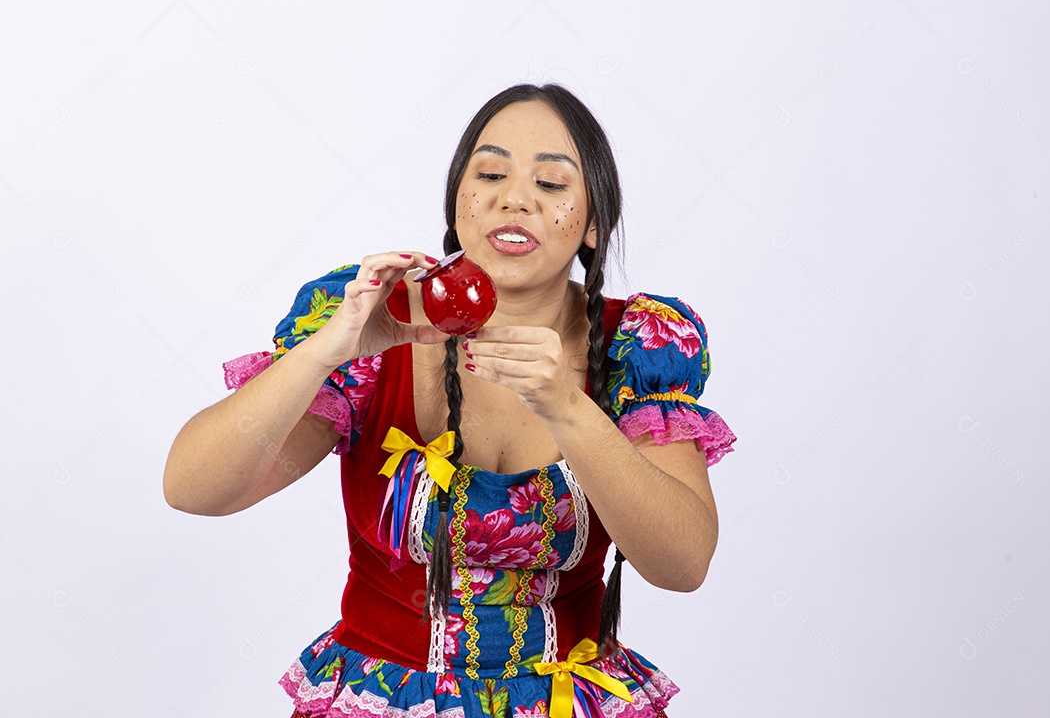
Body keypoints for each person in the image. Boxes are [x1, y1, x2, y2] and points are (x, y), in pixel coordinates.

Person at [164, 83, 736, 718]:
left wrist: (571, 411)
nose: (513, 197)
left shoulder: (640, 345)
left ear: (594, 224)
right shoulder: (375, 322)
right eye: (490, 173)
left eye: (551, 185)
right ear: (458, 202)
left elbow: (683, 564)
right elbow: (194, 489)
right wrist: (328, 349)